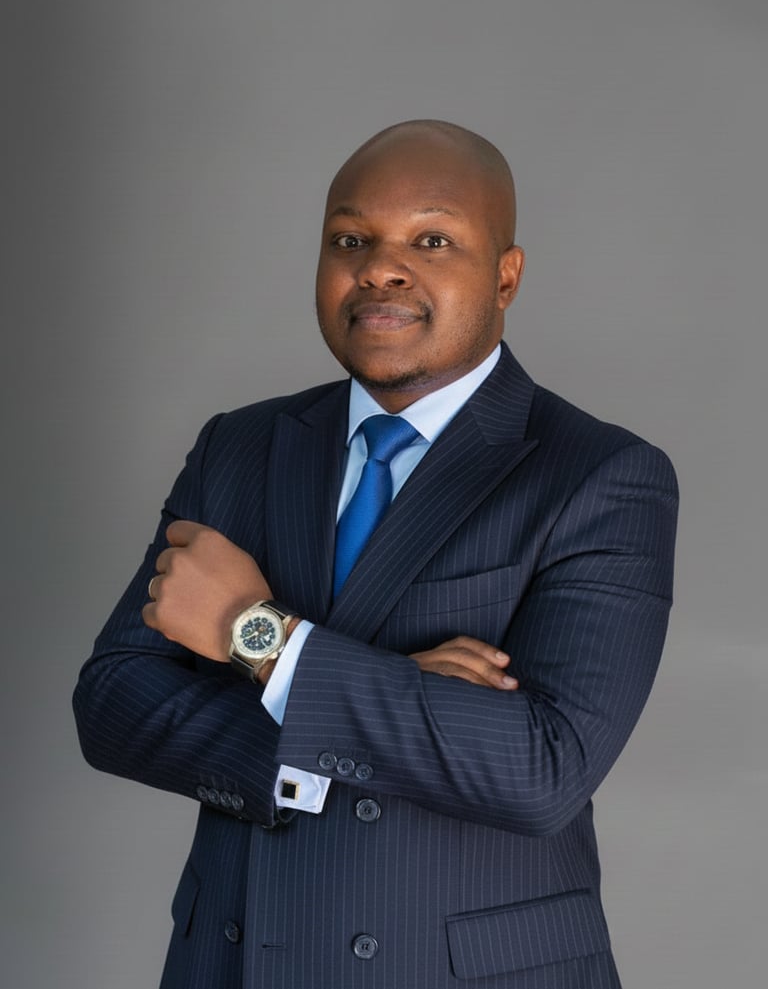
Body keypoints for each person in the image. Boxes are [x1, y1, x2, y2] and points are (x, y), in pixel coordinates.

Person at [73, 120, 678, 988]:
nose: (380, 269)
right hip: (239, 959)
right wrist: (379, 707)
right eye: (350, 240)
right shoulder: (239, 446)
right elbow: (113, 702)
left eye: (432, 241)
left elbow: (543, 767)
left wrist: (260, 637)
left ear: (506, 276)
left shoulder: (601, 473)